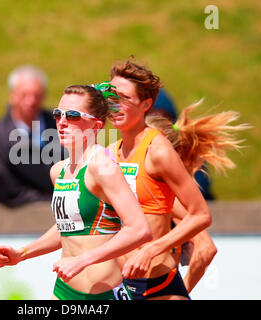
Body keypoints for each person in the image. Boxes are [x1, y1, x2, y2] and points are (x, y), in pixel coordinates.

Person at [106, 57, 247, 299]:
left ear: (146, 104)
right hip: (122, 288)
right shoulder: (110, 153)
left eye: (124, 98)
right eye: (111, 98)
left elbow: (204, 237)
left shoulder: (157, 153)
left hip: (158, 287)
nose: (115, 105)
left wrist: (155, 254)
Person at [0, 84, 153, 300]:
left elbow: (140, 229)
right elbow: (66, 229)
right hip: (64, 291)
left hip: (102, 294)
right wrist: (21, 254)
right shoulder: (58, 171)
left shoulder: (102, 166)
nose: (61, 122)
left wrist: (83, 260)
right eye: (58, 114)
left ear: (96, 125)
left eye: (73, 115)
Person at [0, 65, 66, 208]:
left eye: (36, 95)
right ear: (12, 95)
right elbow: (1, 186)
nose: (31, 101)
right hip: (22, 219)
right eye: (24, 95)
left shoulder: (61, 125)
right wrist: (47, 200)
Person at [149, 88, 215, 200]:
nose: (158, 128)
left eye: (162, 119)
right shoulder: (122, 143)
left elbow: (199, 189)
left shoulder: (186, 149)